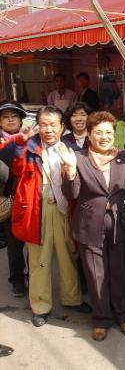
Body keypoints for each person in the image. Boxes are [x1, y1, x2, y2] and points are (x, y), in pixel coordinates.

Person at [60, 111, 125, 341]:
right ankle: (101, 318)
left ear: (115, 134)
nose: (104, 136)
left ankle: (122, 313)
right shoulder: (78, 158)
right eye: (98, 132)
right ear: (89, 135)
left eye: (108, 132)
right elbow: (72, 194)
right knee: (95, 273)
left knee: (120, 271)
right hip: (89, 223)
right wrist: (70, 172)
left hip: (120, 222)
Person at [11, 105, 91, 327]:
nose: (48, 129)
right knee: (39, 259)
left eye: (52, 125)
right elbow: (17, 168)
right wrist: (19, 143)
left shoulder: (70, 149)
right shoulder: (27, 147)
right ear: (37, 125)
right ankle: (40, 305)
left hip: (64, 207)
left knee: (68, 255)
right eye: (43, 124)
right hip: (38, 210)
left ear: (61, 127)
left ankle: (72, 298)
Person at [0, 102, 27, 297]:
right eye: (5, 116)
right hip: (8, 200)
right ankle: (17, 279)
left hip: (30, 198)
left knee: (36, 245)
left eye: (14, 116)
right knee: (14, 244)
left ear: (20, 120)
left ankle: (36, 279)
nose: (10, 119)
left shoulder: (31, 140)